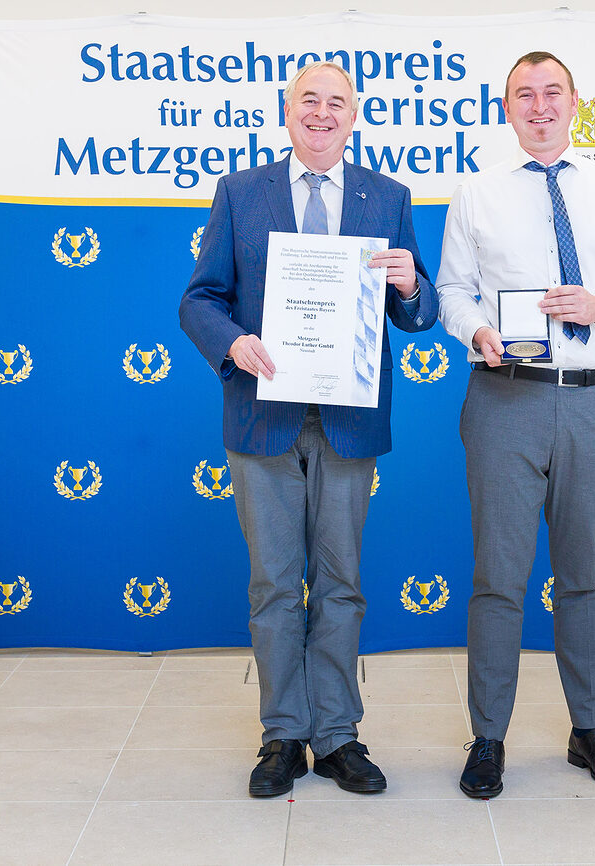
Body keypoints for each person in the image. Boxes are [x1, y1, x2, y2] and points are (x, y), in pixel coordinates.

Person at [178, 61, 438, 797]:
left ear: (354, 115)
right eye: (309, 101)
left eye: (338, 103)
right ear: (286, 112)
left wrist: (411, 284)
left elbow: (416, 315)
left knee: (342, 584)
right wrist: (231, 343)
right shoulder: (239, 192)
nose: (323, 113)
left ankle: (339, 735)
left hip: (348, 422)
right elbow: (200, 299)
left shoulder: (387, 198)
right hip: (262, 419)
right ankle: (283, 735)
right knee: (273, 584)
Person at [436, 51, 595, 799]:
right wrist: (474, 330)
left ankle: (589, 728)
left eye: (551, 93)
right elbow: (451, 289)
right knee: (498, 578)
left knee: (583, 573)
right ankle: (488, 738)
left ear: (575, 102)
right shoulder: (475, 195)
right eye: (522, 95)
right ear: (506, 108)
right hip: (506, 397)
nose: (538, 106)